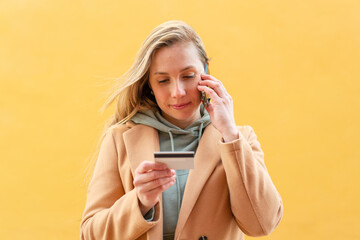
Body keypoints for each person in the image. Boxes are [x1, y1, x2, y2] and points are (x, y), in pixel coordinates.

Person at [80, 20, 283, 240]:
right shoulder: (120, 140)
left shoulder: (238, 139)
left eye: (188, 76)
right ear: (149, 84)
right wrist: (139, 203)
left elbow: (262, 225)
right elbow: (90, 234)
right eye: (163, 80)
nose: (178, 92)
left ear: (205, 70)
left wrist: (229, 134)